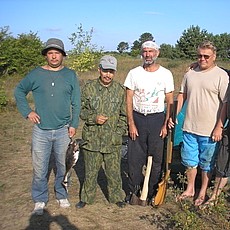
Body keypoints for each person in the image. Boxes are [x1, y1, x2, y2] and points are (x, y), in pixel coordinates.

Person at [14, 38, 81, 215]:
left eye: (57, 53)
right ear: (46, 55)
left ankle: (62, 194)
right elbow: (19, 91)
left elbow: (76, 102)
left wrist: (74, 124)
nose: (53, 56)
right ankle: (39, 198)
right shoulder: (35, 74)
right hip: (41, 131)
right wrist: (28, 112)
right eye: (50, 53)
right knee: (40, 167)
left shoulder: (70, 75)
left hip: (63, 130)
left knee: (64, 165)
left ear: (62, 56)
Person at [176, 40, 229, 206]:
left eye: (206, 56)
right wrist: (174, 115)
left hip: (209, 130)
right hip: (189, 127)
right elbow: (181, 95)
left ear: (214, 57)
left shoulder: (221, 76)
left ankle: (202, 191)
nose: (202, 59)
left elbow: (225, 103)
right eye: (199, 55)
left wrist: (219, 127)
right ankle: (190, 188)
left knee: (207, 163)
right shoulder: (189, 74)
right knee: (189, 161)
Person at [123, 41, 174, 204]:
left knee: (156, 158)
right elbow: (129, 98)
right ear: (142, 53)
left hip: (157, 119)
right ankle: (133, 191)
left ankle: (151, 191)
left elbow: (169, 99)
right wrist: (131, 122)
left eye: (151, 51)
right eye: (145, 51)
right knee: (134, 158)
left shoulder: (166, 74)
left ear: (157, 53)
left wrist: (166, 123)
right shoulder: (134, 73)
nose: (148, 55)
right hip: (138, 118)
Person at [76, 55, 127, 209]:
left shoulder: (120, 90)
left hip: (112, 141)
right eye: (105, 70)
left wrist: (118, 133)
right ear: (99, 69)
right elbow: (81, 111)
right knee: (90, 172)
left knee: (113, 172)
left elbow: (124, 116)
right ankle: (86, 198)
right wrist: (93, 118)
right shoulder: (88, 88)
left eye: (111, 71)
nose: (108, 74)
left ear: (115, 72)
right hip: (92, 139)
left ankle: (117, 197)